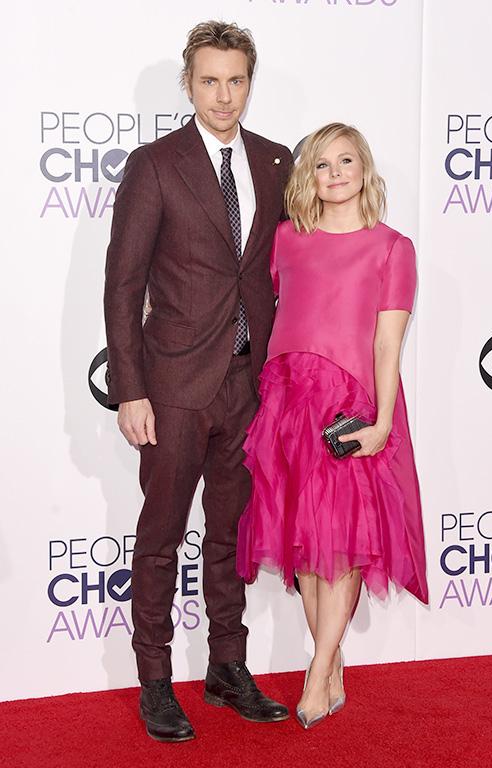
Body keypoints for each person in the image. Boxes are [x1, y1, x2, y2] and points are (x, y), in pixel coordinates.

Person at [104, 21, 293, 742]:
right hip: (176, 384)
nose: (223, 94)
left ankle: (226, 666)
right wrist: (130, 388)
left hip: (251, 382)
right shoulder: (155, 165)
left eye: (236, 80)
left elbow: (284, 270)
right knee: (160, 536)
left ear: (250, 82)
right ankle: (154, 680)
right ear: (189, 85)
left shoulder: (274, 161)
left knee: (231, 533)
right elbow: (123, 284)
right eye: (209, 80)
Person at [235, 122, 428, 730]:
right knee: (308, 546)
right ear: (308, 177)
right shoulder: (287, 239)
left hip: (349, 407)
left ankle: (317, 672)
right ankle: (331, 661)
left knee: (340, 544)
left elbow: (388, 347)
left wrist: (382, 424)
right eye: (322, 164)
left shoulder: (392, 248)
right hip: (287, 404)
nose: (336, 173)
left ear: (365, 169)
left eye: (347, 161)